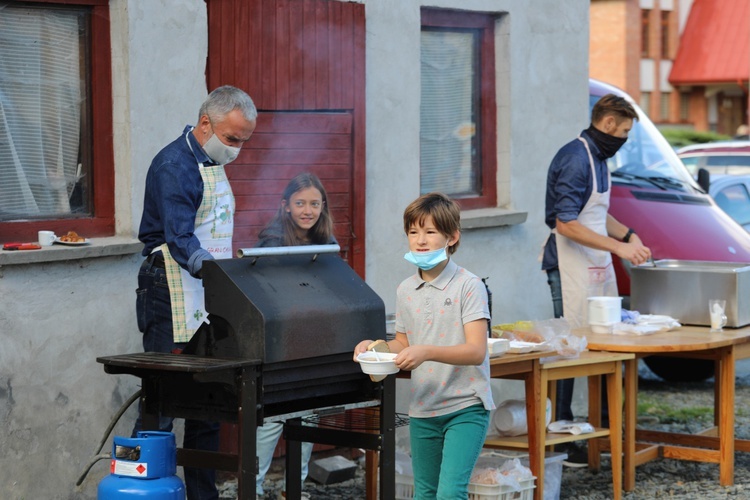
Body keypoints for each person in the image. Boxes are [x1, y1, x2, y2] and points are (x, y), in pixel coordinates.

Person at [135, 85, 258, 500]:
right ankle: (145, 491)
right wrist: (217, 271)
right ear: (206, 123)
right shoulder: (174, 165)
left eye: (243, 140)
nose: (237, 149)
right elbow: (180, 237)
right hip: (168, 286)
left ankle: (203, 496)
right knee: (164, 400)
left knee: (209, 402)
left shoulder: (211, 159)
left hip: (209, 288)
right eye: (232, 139)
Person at [353, 192, 494, 499]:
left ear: (451, 237)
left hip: (466, 406)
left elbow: (476, 351)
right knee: (424, 493)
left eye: (430, 232)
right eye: (413, 232)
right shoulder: (406, 289)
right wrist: (373, 348)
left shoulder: (469, 286)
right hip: (423, 408)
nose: (420, 240)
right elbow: (403, 342)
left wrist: (426, 351)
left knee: (449, 493)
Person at [541, 93, 651, 461]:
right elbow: (567, 223)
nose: (623, 139)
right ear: (607, 125)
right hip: (570, 265)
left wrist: (627, 235)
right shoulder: (575, 158)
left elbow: (596, 212)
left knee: (605, 342)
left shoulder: (599, 157)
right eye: (622, 132)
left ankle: (601, 428)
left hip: (596, 263)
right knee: (569, 349)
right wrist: (619, 250)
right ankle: (562, 435)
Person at [254, 172, 336, 499]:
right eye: (300, 203)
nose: (308, 210)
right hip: (280, 342)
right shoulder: (273, 241)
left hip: (314, 340)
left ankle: (295, 490)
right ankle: (253, 488)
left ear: (322, 207)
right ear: (285, 205)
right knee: (272, 418)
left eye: (314, 203)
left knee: (309, 414)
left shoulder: (328, 242)